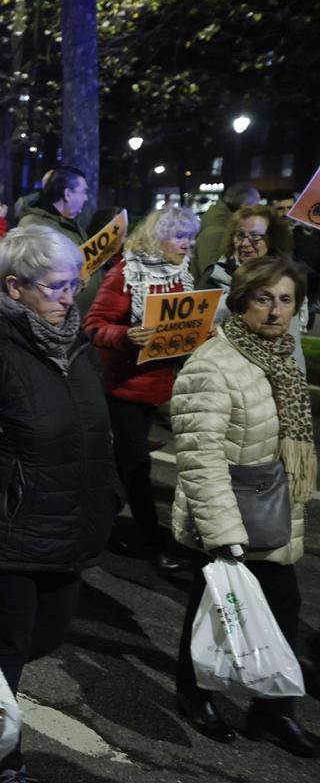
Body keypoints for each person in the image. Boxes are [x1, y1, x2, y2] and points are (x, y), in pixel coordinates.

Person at [0, 224, 119, 783]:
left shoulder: (77, 350)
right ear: (15, 287)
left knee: (46, 636)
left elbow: (94, 438)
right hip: (4, 543)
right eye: (56, 287)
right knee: (2, 660)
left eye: (74, 285)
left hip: (65, 537)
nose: (69, 297)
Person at [170, 256, 319, 757]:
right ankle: (194, 697)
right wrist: (223, 534)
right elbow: (198, 454)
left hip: (272, 509)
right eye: (264, 299)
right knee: (212, 612)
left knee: (283, 608)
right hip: (231, 516)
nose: (276, 312)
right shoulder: (213, 363)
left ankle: (272, 712)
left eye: (286, 300)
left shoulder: (283, 355)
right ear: (240, 301)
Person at [84, 206, 201, 573]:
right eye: (180, 236)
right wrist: (125, 335)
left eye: (191, 237)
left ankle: (90, 528)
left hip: (153, 386)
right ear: (157, 236)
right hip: (122, 387)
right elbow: (93, 325)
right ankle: (152, 542)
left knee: (121, 466)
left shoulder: (178, 274)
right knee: (135, 465)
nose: (188, 245)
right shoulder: (126, 273)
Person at [198, 205, 305, 372]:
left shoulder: (286, 280)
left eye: (255, 236)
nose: (245, 244)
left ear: (272, 239)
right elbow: (193, 325)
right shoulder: (214, 275)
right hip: (225, 372)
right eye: (240, 235)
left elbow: (293, 343)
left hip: (276, 374)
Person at [19, 166, 98, 310]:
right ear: (67, 194)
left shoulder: (70, 224)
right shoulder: (34, 226)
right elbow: (31, 276)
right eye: (83, 192)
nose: (86, 198)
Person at [190, 182, 259, 279]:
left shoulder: (219, 223)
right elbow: (212, 276)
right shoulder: (217, 231)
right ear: (244, 206)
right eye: (255, 206)